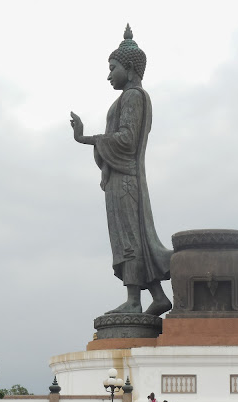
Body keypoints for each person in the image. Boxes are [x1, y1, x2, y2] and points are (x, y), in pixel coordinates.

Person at [70, 24, 172, 317]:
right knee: (130, 235)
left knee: (130, 237)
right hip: (120, 177)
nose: (109, 75)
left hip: (126, 178)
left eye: (112, 68)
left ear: (129, 67)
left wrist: (86, 138)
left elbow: (126, 139)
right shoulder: (128, 98)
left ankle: (134, 300)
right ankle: (157, 296)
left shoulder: (133, 96)